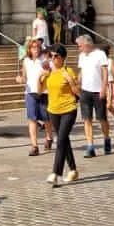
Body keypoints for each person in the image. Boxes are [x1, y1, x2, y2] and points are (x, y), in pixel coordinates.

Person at [38, 44, 80, 186]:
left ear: (62, 58)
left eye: (56, 56)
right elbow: (40, 91)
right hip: (53, 110)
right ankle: (73, 170)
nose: (53, 58)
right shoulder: (49, 73)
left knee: (60, 140)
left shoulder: (68, 71)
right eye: (51, 56)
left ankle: (55, 173)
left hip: (69, 109)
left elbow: (77, 92)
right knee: (64, 140)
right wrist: (40, 78)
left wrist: (71, 81)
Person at [15, 38, 54, 155]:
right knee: (32, 119)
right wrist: (20, 80)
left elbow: (49, 72)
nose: (36, 49)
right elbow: (24, 77)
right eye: (33, 47)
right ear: (29, 49)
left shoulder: (44, 60)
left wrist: (44, 75)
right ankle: (34, 145)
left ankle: (49, 137)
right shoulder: (26, 61)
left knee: (46, 118)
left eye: (37, 47)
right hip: (30, 92)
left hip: (44, 92)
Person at [76, 35, 111, 157]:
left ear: (87, 44)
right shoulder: (81, 56)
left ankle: (106, 138)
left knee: (102, 118)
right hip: (85, 91)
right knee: (87, 119)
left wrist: (104, 88)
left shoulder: (100, 54)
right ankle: (90, 146)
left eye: (80, 46)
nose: (79, 48)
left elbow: (105, 72)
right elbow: (81, 71)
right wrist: (78, 83)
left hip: (98, 91)